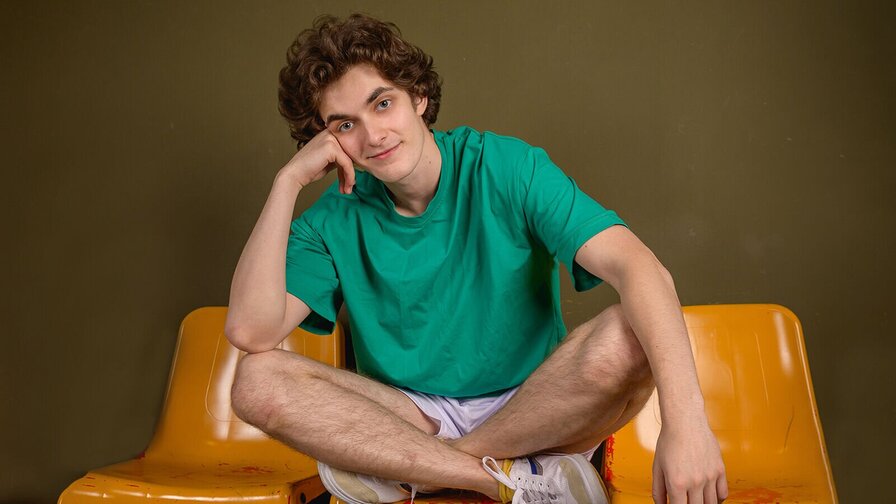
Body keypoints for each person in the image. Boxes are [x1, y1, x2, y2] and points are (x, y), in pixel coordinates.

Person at [225, 13, 727, 504]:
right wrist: (287, 182)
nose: (372, 135)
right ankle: (507, 479)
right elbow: (250, 332)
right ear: (327, 139)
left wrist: (687, 427)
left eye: (383, 104)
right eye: (345, 124)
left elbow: (639, 267)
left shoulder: (508, 167)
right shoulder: (331, 219)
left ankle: (414, 471)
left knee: (628, 334)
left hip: (535, 405)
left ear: (418, 97)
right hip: (409, 415)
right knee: (255, 379)